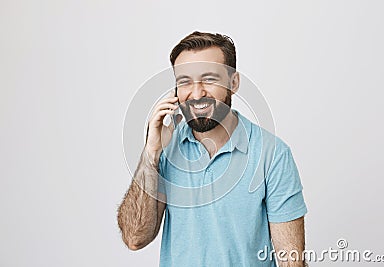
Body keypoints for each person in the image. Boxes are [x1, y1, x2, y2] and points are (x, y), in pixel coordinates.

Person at [117, 31, 308, 267]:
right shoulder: (166, 150)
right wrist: (151, 152)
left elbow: (292, 261)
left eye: (209, 79)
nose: (197, 94)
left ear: (233, 82)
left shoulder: (273, 154)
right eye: (185, 81)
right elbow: (135, 238)